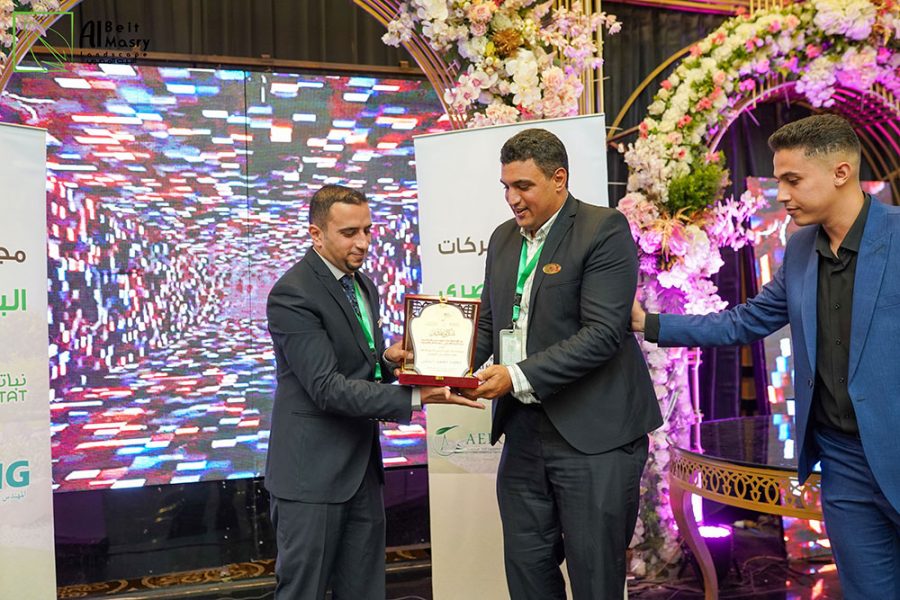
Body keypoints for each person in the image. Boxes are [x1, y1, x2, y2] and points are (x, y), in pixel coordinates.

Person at [631, 114, 900, 599]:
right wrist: (648, 323)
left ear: (841, 172)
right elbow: (744, 322)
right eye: (780, 181)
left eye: (793, 180)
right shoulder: (799, 249)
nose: (782, 195)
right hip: (843, 464)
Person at [467, 128, 663, 599]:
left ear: (559, 179)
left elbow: (602, 334)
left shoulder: (603, 229)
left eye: (523, 186)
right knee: (527, 571)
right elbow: (490, 324)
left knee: (595, 578)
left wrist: (516, 375)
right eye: (506, 187)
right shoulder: (502, 239)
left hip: (595, 435)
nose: (512, 199)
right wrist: (432, 362)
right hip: (523, 430)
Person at [264, 184, 482, 600]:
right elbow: (327, 388)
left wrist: (388, 359)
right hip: (311, 478)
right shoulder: (293, 293)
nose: (363, 243)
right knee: (303, 592)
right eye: (349, 233)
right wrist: (418, 397)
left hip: (362, 471)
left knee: (365, 590)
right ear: (316, 235)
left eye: (367, 230)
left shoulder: (363, 285)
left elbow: (358, 363)